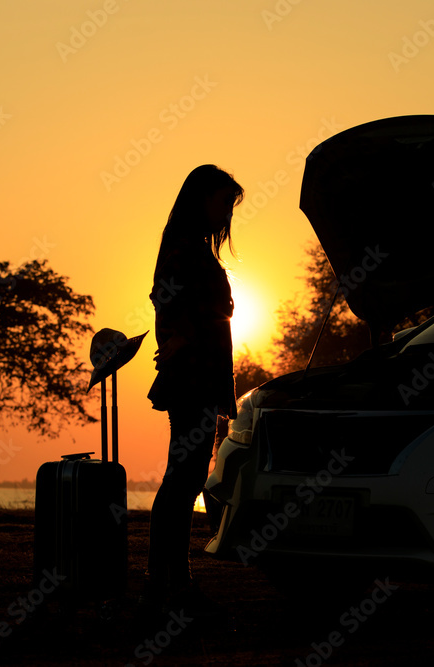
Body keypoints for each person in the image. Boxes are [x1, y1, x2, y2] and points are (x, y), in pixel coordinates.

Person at [144, 164, 243, 614]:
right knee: (182, 480)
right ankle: (169, 582)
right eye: (223, 201)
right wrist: (176, 338)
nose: (226, 213)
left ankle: (168, 580)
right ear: (201, 197)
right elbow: (164, 294)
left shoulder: (192, 247)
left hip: (200, 376)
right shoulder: (184, 247)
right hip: (193, 378)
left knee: (183, 480)